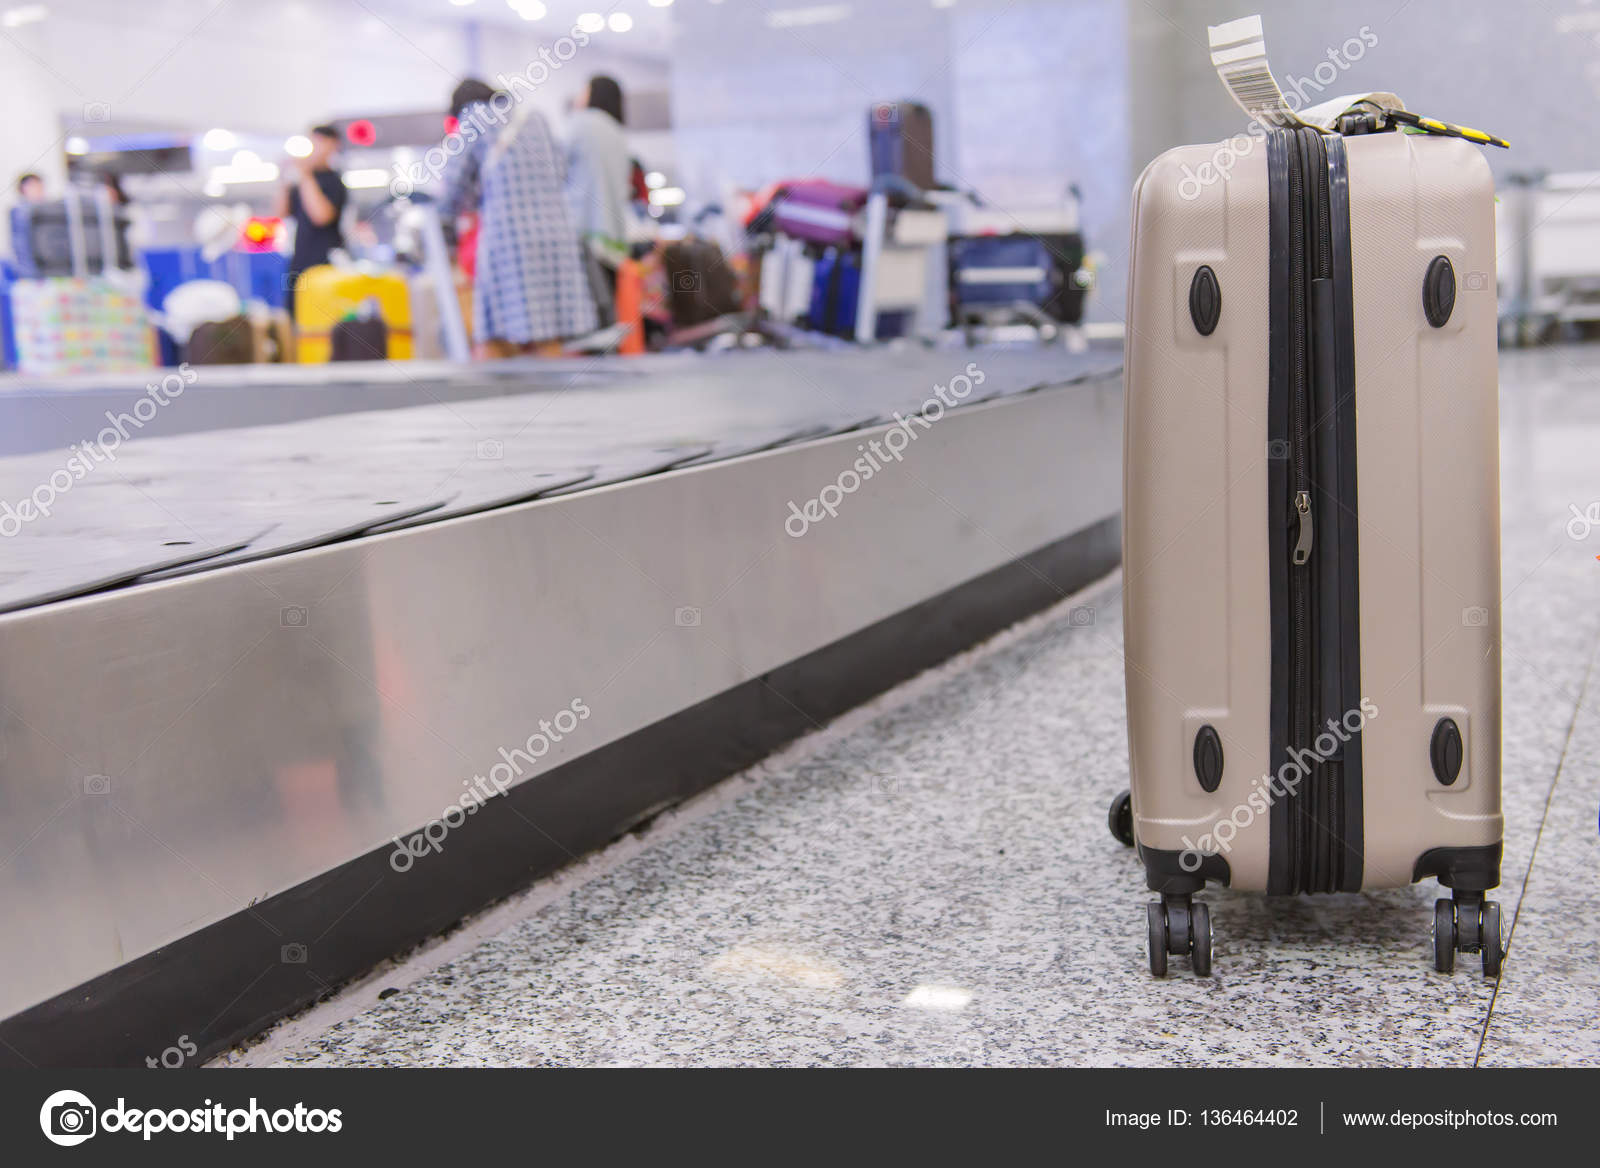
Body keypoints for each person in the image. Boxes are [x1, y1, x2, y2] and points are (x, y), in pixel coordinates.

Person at [441, 79, 596, 358]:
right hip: (556, 238)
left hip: (509, 241)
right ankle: (554, 398)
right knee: (549, 334)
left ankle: (491, 400)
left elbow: (451, 187)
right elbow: (561, 170)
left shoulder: (474, 116)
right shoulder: (536, 117)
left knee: (493, 331)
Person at [276, 124, 347, 320]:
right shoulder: (299, 182)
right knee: (294, 314)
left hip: (325, 260)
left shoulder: (334, 181)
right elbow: (280, 213)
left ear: (333, 145)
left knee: (322, 318)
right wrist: (284, 178)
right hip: (300, 259)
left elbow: (321, 216)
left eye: (320, 142)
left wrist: (305, 175)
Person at [565, 75, 633, 276]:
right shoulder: (619, 133)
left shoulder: (581, 123)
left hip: (585, 233)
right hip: (614, 239)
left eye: (583, 90)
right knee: (607, 304)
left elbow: (557, 164)